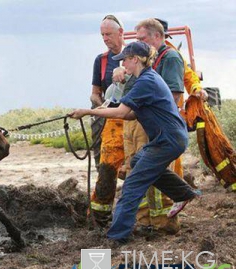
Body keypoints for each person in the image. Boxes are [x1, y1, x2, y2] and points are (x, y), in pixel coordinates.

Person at [70, 41, 200, 242]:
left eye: (124, 61)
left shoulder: (146, 81)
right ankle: (183, 193)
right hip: (166, 138)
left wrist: (87, 111)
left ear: (135, 59)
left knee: (132, 184)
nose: (122, 65)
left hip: (168, 140)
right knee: (138, 161)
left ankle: (117, 237)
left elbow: (121, 111)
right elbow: (130, 114)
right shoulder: (144, 80)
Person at [114, 18, 186, 234]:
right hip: (139, 123)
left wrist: (153, 123)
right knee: (136, 170)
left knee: (149, 175)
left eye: (142, 39)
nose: (140, 43)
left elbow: (172, 96)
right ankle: (145, 222)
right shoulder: (146, 65)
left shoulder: (170, 57)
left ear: (158, 36)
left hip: (155, 128)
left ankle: (164, 223)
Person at [88, 15, 126, 227]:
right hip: (106, 118)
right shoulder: (101, 61)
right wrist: (101, 104)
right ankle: (101, 217)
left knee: (133, 165)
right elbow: (95, 93)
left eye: (108, 34)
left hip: (130, 119)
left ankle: (132, 212)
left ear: (120, 33)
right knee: (104, 167)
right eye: (102, 35)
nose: (105, 39)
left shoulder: (135, 55)